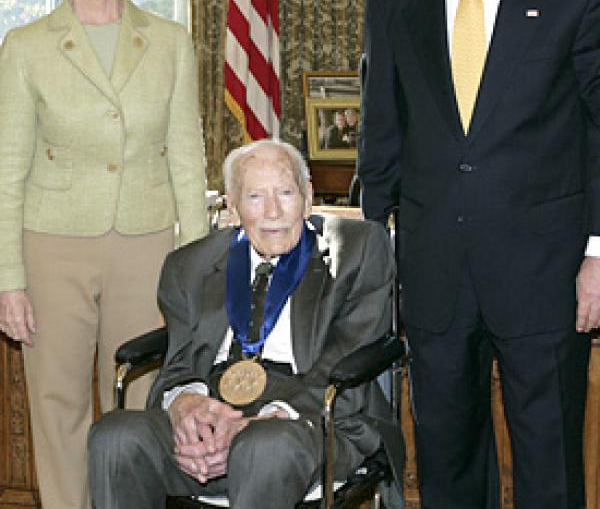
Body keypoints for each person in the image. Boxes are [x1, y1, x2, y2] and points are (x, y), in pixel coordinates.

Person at [358, 0, 600, 509]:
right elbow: (382, 142)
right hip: (433, 277)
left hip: (548, 274)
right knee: (446, 461)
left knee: (549, 461)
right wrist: (380, 267)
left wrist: (597, 253)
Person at [0, 0, 208, 509]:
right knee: (58, 402)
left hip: (147, 247)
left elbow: (189, 159)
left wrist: (196, 269)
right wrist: (8, 277)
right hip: (51, 247)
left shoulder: (170, 42)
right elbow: (6, 170)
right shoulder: (25, 48)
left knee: (142, 402)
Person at [87, 139, 404, 509]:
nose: (273, 211)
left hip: (309, 415)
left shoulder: (359, 251)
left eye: (285, 192)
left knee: (264, 446)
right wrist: (186, 407)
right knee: (115, 435)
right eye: (255, 197)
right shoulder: (188, 266)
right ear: (233, 206)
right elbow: (179, 363)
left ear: (308, 195)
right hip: (215, 406)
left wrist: (258, 422)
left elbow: (348, 352)